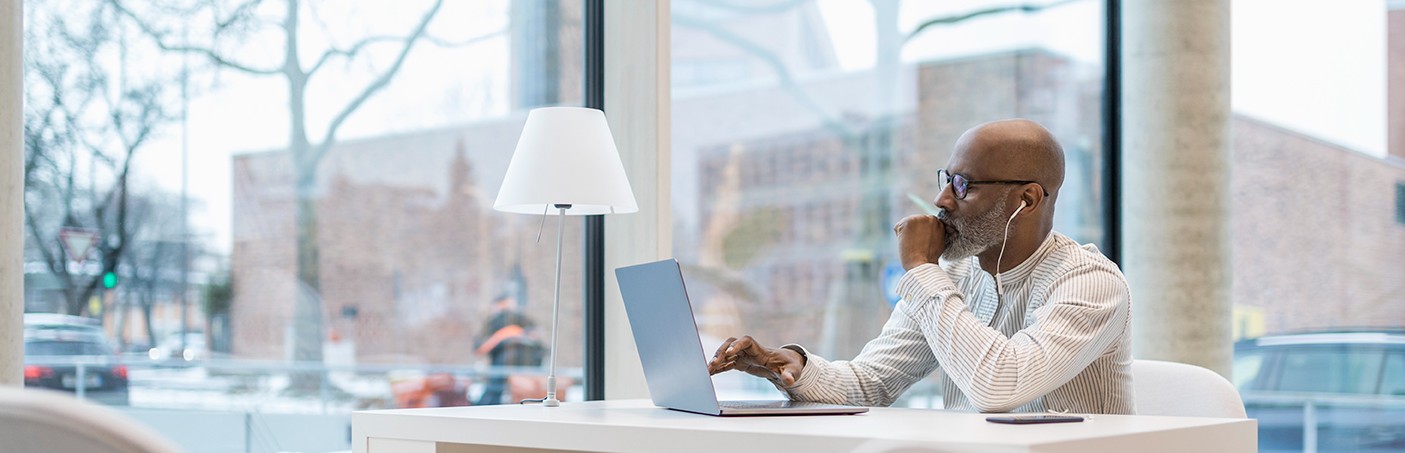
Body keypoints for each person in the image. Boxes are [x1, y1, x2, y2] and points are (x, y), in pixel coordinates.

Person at [706, 119, 1133, 414]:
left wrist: (919, 267)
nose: (942, 200)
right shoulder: (953, 277)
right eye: (945, 179)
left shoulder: (1091, 283)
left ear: (1027, 199)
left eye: (963, 185)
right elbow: (870, 384)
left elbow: (999, 386)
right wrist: (793, 370)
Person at [474, 293, 542, 405]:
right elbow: (479, 348)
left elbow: (537, 340)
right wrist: (505, 334)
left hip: (524, 373)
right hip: (500, 374)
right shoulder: (493, 322)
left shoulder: (523, 320)